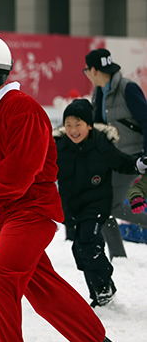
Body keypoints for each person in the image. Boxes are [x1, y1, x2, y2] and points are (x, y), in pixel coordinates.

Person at [0, 34, 146, 342]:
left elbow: (19, 174)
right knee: (48, 296)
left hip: (33, 213)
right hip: (7, 216)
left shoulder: (24, 110)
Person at [55, 98, 146, 307]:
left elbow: (122, 162)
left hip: (96, 204)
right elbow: (38, 166)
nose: (73, 130)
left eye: (78, 125)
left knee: (88, 242)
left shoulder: (101, 145)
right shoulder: (58, 148)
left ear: (89, 125)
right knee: (80, 249)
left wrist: (139, 163)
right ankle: (99, 294)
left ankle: (103, 286)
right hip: (72, 207)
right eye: (68, 125)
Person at [85, 48, 147, 257]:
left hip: (132, 157)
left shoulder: (127, 89)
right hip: (112, 158)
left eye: (86, 70)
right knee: (101, 204)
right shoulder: (99, 92)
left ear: (93, 70)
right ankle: (118, 256)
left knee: (107, 205)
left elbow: (146, 121)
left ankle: (119, 256)